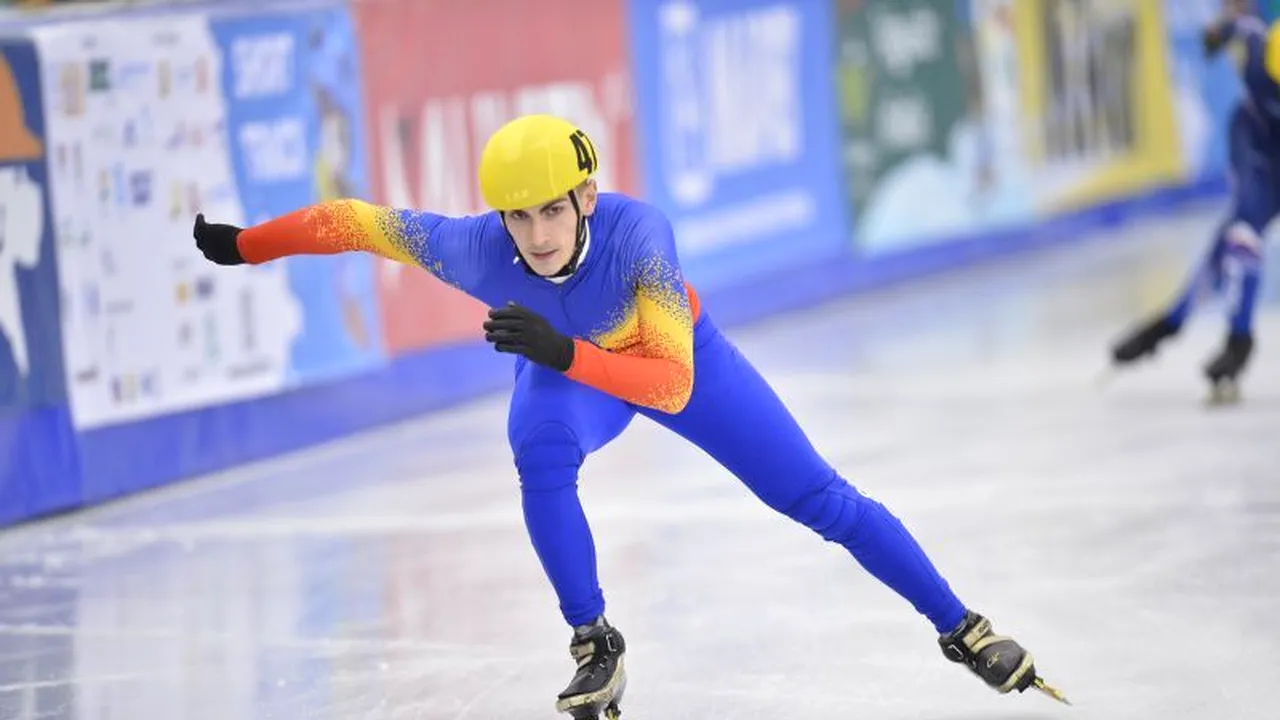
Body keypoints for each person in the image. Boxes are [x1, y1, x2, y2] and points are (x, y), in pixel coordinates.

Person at [192, 114, 1067, 717]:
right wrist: (245, 246)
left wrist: (562, 351)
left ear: (584, 197)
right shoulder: (470, 247)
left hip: (672, 358)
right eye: (517, 215)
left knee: (817, 499)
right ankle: (592, 638)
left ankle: (961, 624)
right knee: (535, 448)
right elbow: (357, 222)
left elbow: (671, 388)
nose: (534, 234)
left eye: (550, 209)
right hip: (572, 374)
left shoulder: (638, 236)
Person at [1110, 0, 1274, 403]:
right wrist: (1214, 34)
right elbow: (1235, 26)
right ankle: (1232, 337)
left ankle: (1174, 324)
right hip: (1257, 148)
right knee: (1241, 235)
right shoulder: (1257, 43)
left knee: (1232, 243)